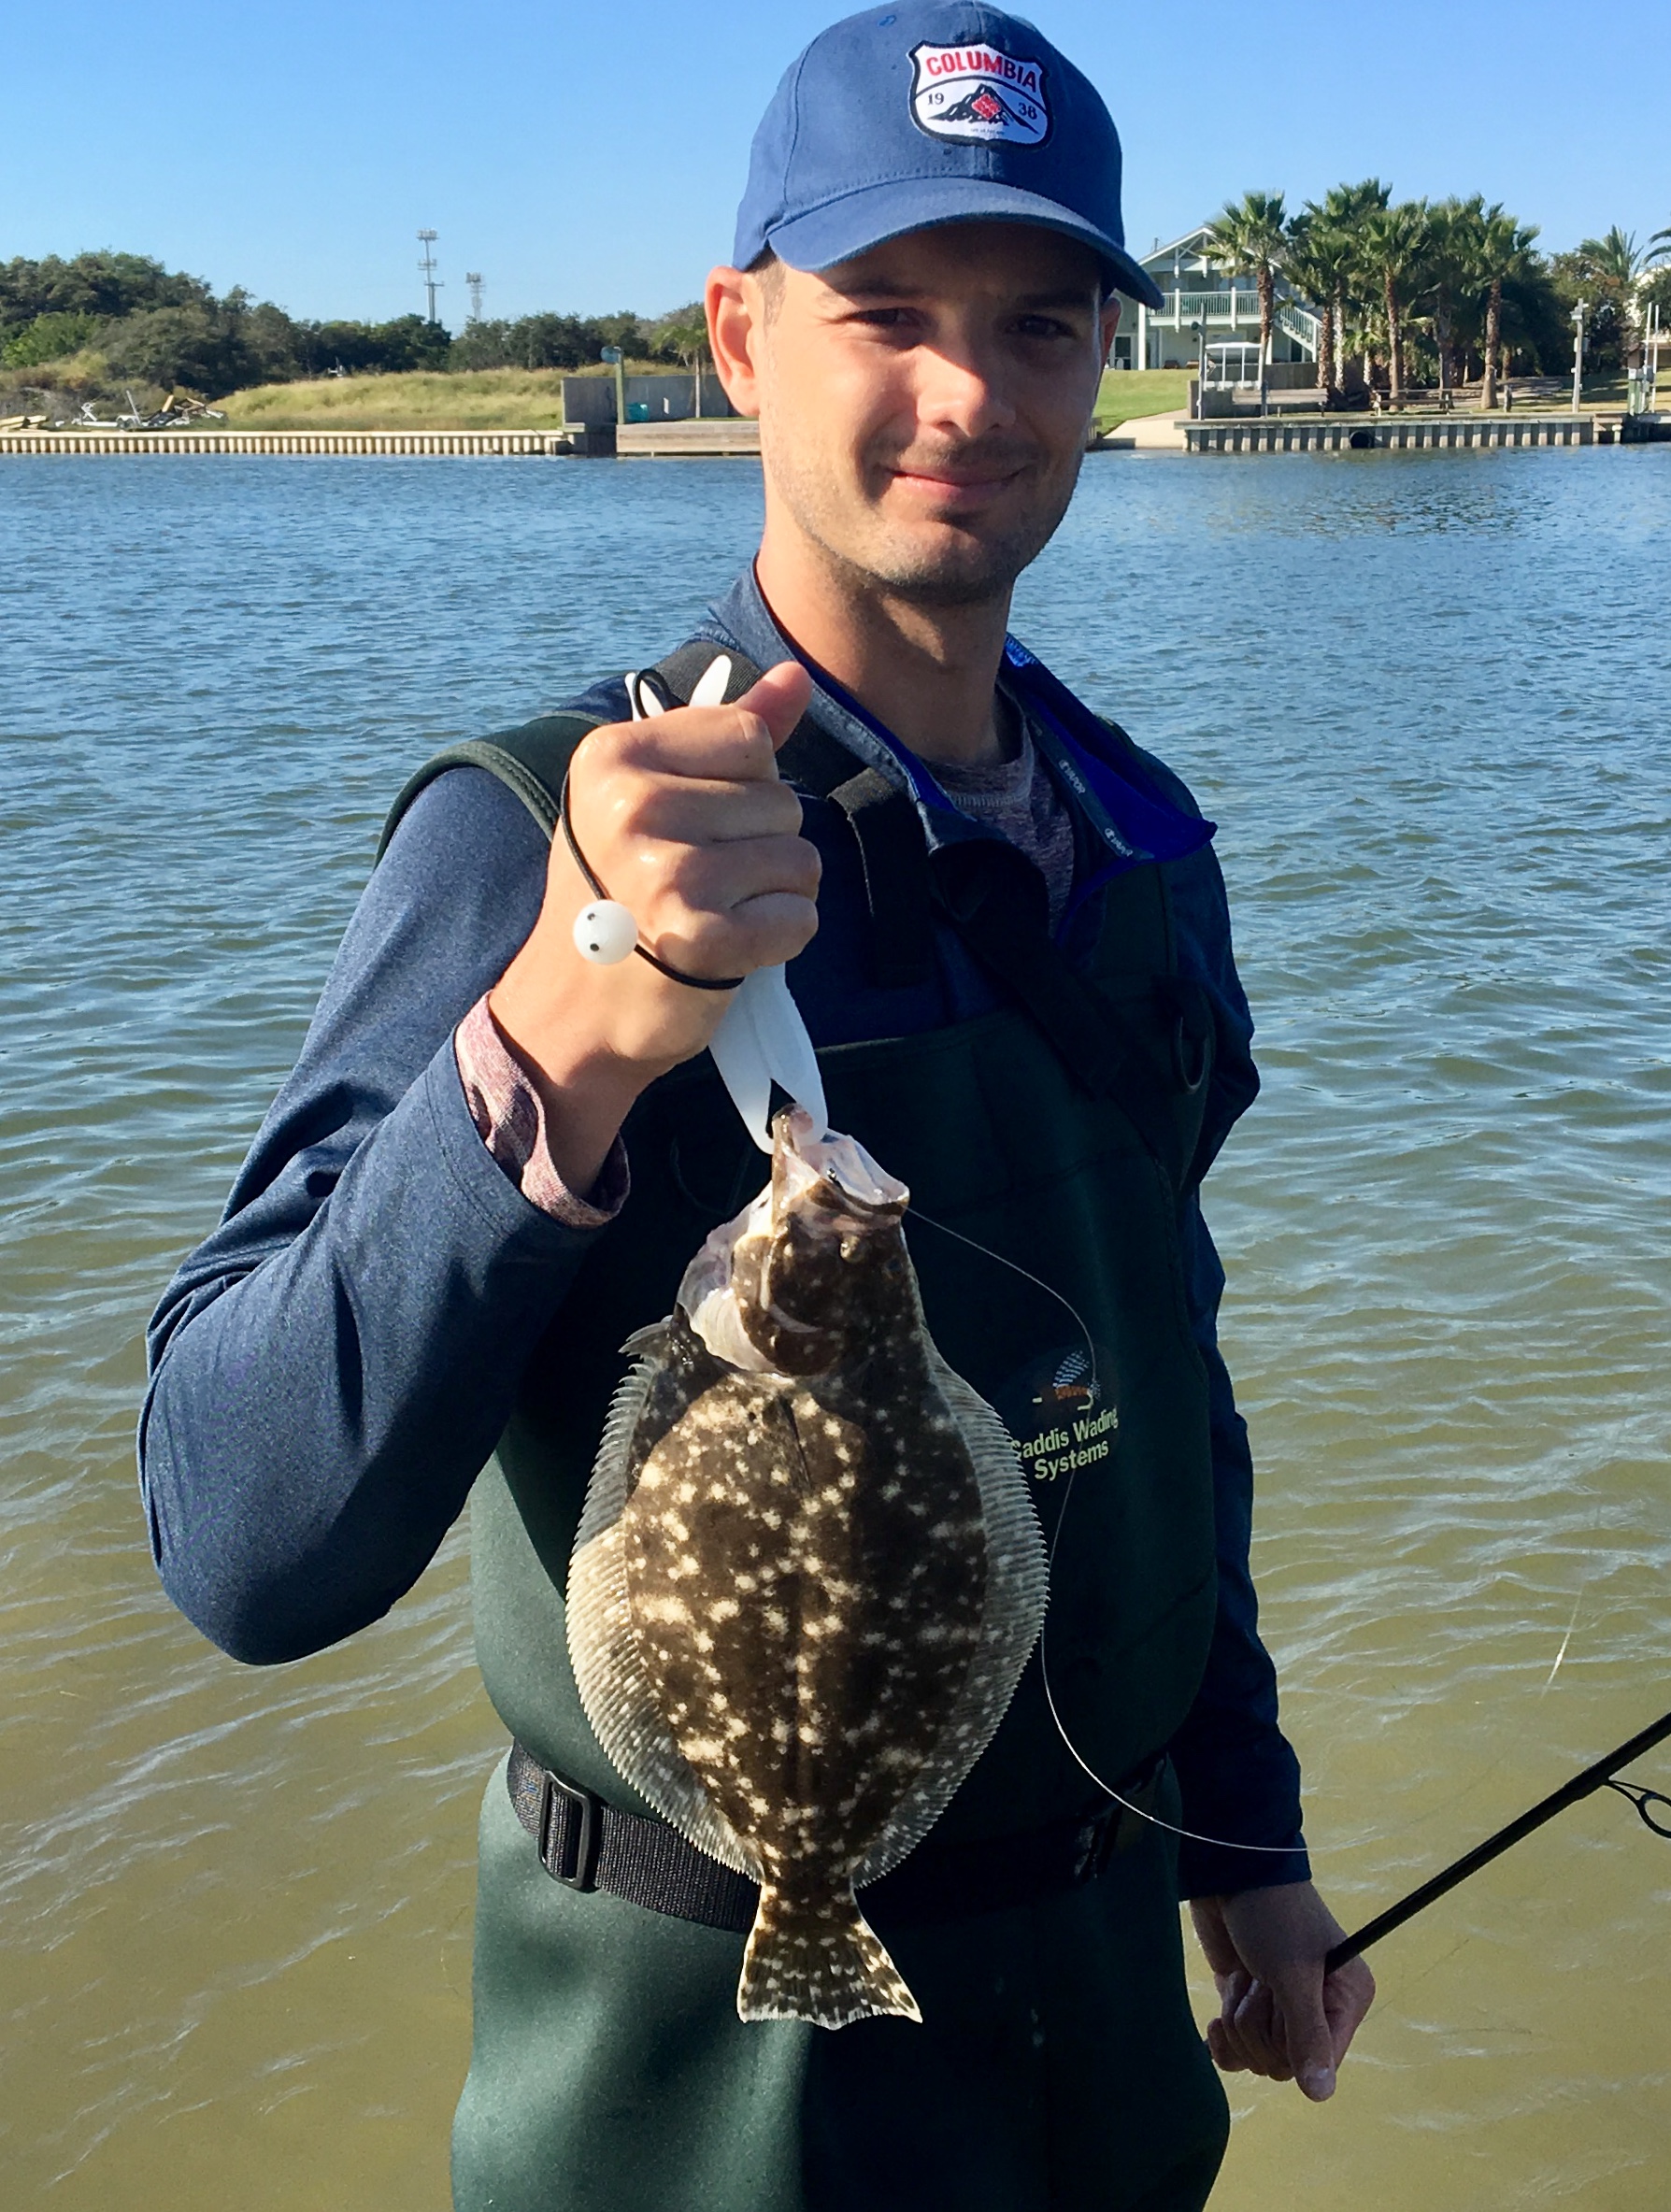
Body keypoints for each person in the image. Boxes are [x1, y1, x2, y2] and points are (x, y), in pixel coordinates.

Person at [140, 7, 1374, 2206]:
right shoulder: (544, 832)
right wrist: (565, 1018)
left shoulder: (1139, 837)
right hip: (700, 2096)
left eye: (1038, 323)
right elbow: (238, 1534)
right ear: (739, 337)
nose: (967, 396)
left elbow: (1157, 1369)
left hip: (1102, 2037)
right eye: (883, 314)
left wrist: (1247, 1825)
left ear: (1108, 352)